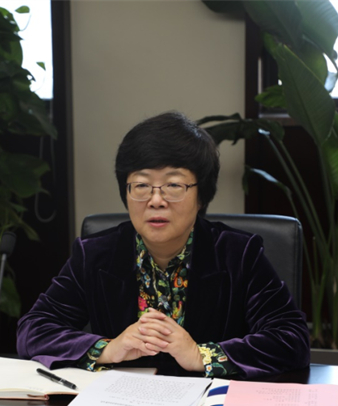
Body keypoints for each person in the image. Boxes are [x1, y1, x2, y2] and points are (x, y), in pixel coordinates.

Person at [16, 112, 309, 379]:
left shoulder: (239, 254)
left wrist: (200, 355)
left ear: (201, 196)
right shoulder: (94, 255)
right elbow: (33, 330)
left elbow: (291, 339)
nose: (156, 200)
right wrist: (109, 348)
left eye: (173, 185)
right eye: (142, 185)